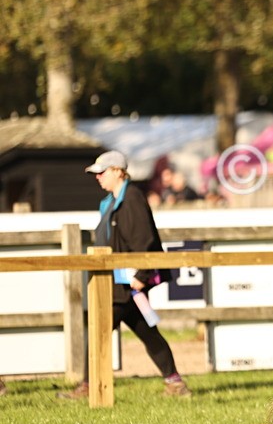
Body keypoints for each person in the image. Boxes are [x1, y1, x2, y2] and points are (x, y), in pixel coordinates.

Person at [59, 151, 191, 399]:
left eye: (103, 171)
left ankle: (88, 387)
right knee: (147, 332)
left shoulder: (132, 199)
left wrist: (142, 275)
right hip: (117, 281)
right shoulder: (112, 201)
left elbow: (145, 239)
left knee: (98, 331)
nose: (98, 177)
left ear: (119, 171)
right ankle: (175, 383)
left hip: (127, 283)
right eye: (96, 173)